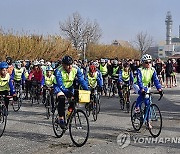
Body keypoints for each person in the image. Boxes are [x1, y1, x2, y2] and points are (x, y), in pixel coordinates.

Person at [54, 55, 89, 129]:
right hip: (59, 87)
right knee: (62, 98)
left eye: (71, 64)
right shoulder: (58, 70)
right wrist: (68, 94)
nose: (70, 67)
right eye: (67, 65)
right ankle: (61, 119)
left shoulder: (76, 69)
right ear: (63, 65)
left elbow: (82, 80)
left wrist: (87, 90)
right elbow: (60, 85)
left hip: (69, 86)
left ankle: (68, 116)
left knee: (73, 102)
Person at [134, 54, 163, 129]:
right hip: (137, 84)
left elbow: (156, 80)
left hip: (145, 85)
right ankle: (137, 107)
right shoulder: (139, 70)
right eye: (146, 62)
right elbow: (139, 81)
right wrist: (142, 89)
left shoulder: (153, 70)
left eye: (150, 62)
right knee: (142, 94)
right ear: (143, 63)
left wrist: (159, 89)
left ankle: (148, 121)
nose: (149, 64)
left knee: (148, 103)